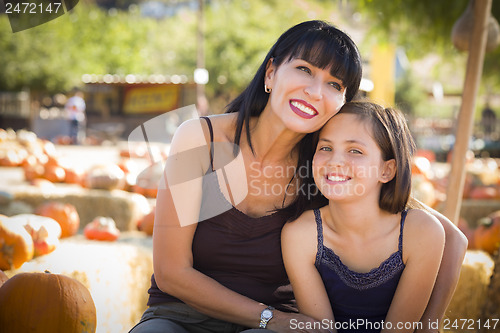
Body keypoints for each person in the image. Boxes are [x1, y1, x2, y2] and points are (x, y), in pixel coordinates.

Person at [129, 20, 466, 333]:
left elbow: (451, 239)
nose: (315, 91)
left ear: (342, 103)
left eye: (334, 84)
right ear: (271, 73)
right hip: (180, 316)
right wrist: (270, 319)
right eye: (304, 69)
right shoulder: (201, 140)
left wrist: (427, 327)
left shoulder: (326, 166)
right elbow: (172, 273)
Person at [282, 101, 445, 333]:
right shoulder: (301, 234)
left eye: (355, 151)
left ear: (387, 170)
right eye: (325, 148)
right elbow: (321, 330)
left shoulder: (421, 232)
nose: (334, 161)